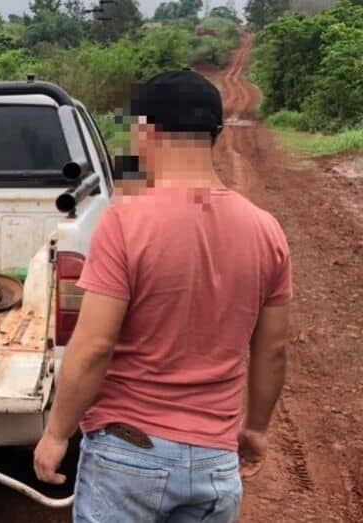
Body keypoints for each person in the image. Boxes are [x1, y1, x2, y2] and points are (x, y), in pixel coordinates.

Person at [33, 70, 292, 522]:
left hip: (130, 456)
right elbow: (272, 349)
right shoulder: (266, 230)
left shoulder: (126, 223)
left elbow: (94, 346)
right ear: (214, 134)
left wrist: (57, 433)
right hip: (215, 461)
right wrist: (256, 429)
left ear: (146, 131)